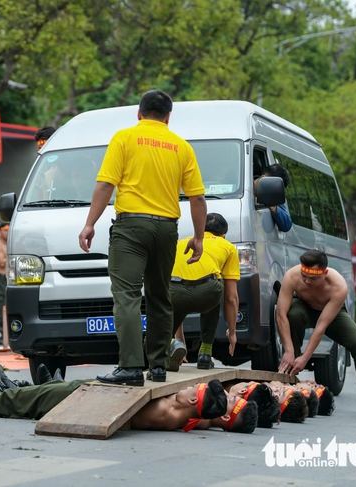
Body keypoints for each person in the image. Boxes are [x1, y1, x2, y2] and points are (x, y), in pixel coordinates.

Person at [78, 90, 207, 386]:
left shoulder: (124, 138)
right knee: (161, 296)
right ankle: (158, 366)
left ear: (139, 113)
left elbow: (105, 185)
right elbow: (197, 199)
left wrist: (89, 224)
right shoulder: (182, 147)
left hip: (131, 228)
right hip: (166, 229)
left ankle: (131, 367)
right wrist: (199, 238)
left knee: (127, 295)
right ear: (168, 117)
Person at [0, 369, 256, 433]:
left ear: (189, 404)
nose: (185, 389)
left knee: (19, 401)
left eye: (191, 392)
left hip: (89, 402)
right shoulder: (198, 414)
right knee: (20, 399)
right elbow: (216, 413)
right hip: (96, 393)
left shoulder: (171, 411)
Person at [276, 249, 356, 415]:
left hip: (330, 313)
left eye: (313, 279)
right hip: (303, 307)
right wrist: (289, 350)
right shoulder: (292, 276)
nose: (307, 281)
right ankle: (291, 379)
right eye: (304, 276)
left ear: (325, 273)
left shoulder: (338, 286)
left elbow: (321, 326)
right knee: (293, 314)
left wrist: (305, 358)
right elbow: (281, 314)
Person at [170, 213, 240, 370]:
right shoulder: (228, 247)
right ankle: (205, 353)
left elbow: (176, 285)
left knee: (172, 296)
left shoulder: (181, 243)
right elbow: (231, 297)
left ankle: (169, 345)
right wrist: (232, 332)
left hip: (175, 293)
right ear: (223, 235)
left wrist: (179, 337)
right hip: (206, 294)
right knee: (215, 285)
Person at [254, 163, 292, 232]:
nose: (273, 191)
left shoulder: (273, 196)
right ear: (263, 178)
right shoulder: (240, 186)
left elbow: (287, 225)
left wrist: (274, 207)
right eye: (273, 187)